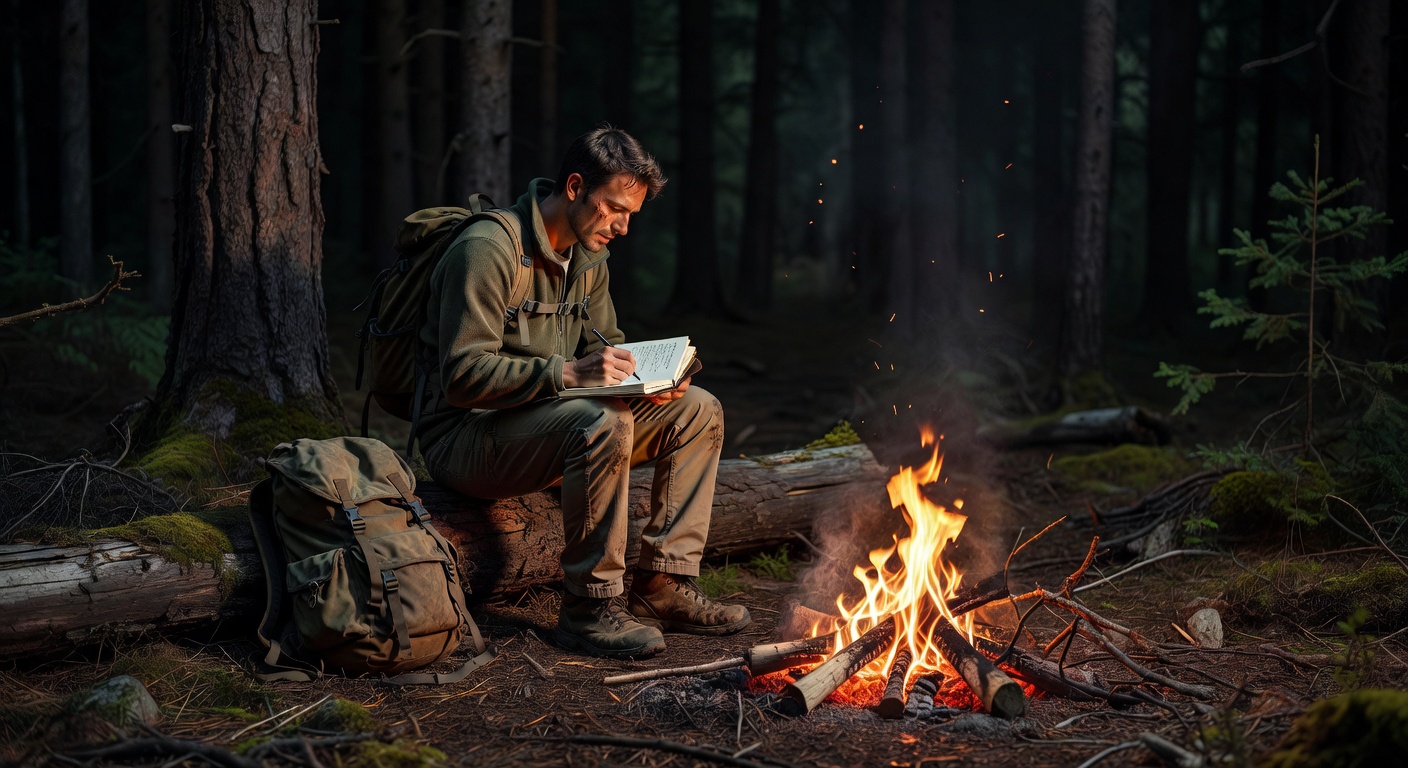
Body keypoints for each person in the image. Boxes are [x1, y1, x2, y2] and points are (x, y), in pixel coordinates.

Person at [417, 125, 750, 659]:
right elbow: (461, 378)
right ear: (574, 187)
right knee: (604, 421)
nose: (621, 227)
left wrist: (655, 381)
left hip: (549, 425)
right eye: (613, 209)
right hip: (466, 438)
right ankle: (589, 608)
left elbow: (609, 349)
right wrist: (569, 376)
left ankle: (661, 585)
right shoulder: (488, 249)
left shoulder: (589, 262)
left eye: (631, 216)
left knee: (698, 409)